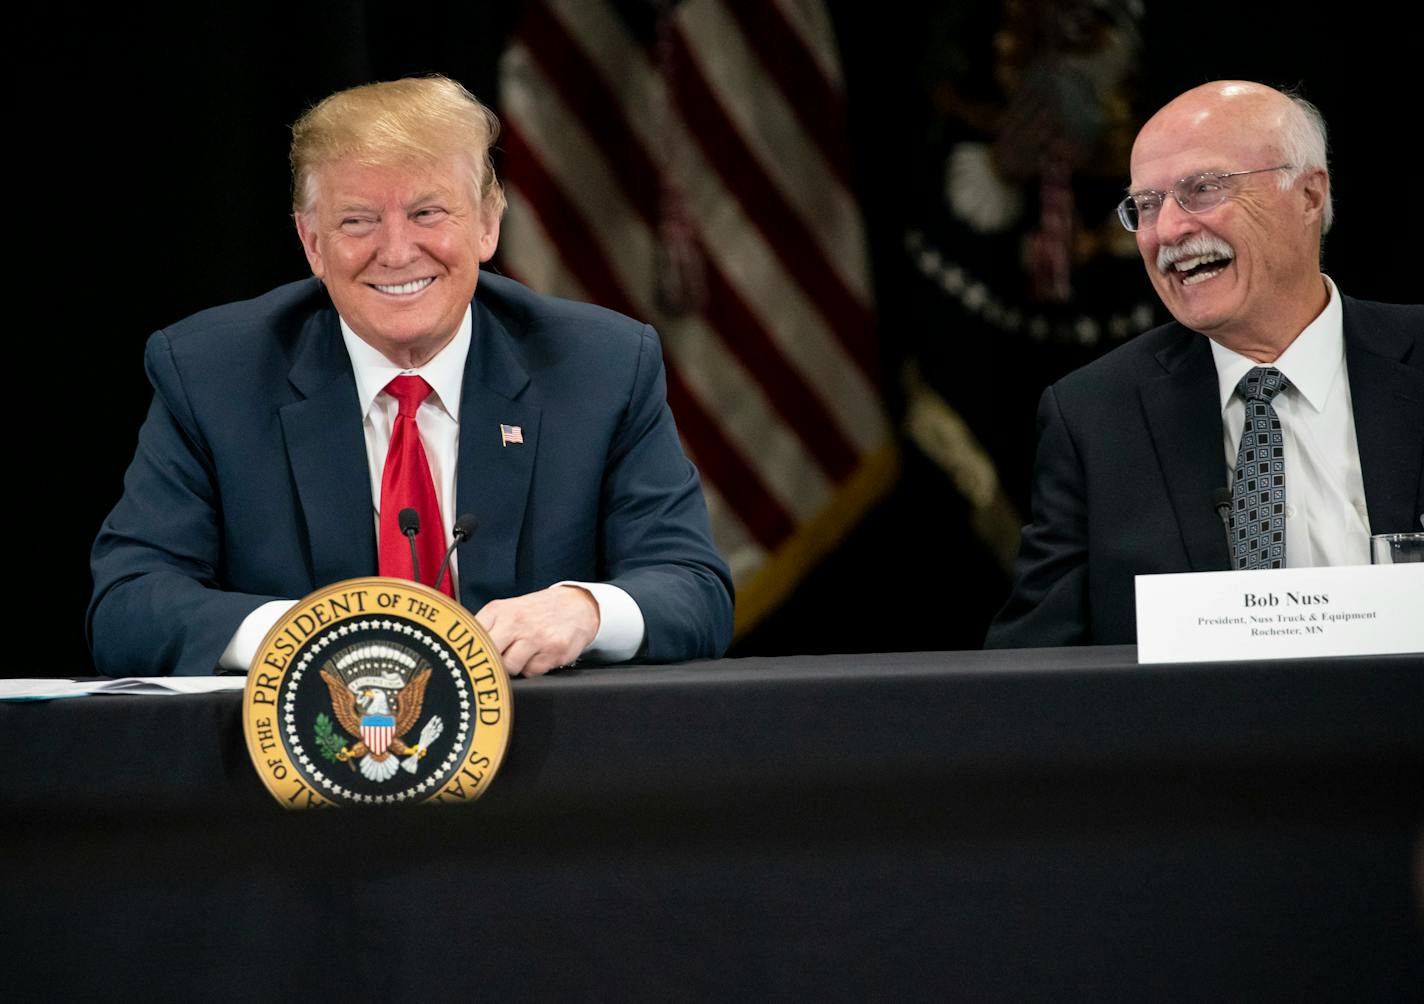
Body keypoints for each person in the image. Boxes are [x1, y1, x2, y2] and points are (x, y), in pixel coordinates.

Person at [88, 76, 733, 677]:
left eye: (428, 213)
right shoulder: (211, 375)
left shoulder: (600, 367)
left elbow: (694, 588)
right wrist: (299, 635)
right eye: (358, 221)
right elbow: (128, 604)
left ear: (487, 224)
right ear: (312, 243)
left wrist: (585, 611)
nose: (396, 252)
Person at [986, 80, 1422, 648]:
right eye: (1145, 206)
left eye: (1203, 189)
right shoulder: (1093, 416)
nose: (1167, 230)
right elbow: (1032, 670)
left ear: (1309, 195)